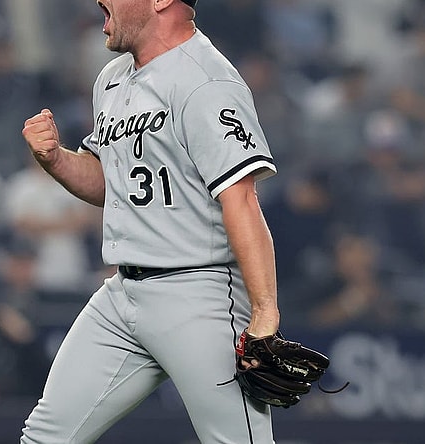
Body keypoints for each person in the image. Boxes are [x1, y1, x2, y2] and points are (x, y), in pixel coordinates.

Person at [20, 1, 280, 442]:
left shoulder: (207, 81)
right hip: (122, 295)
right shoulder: (111, 78)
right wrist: (56, 160)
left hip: (199, 294)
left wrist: (264, 314)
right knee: (44, 438)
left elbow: (241, 198)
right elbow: (110, 182)